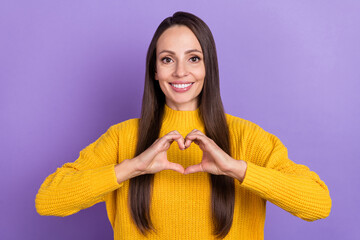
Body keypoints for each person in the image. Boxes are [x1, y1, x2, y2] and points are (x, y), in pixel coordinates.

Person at [35, 11, 332, 240]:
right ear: (154, 70)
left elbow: (318, 204)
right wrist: (132, 167)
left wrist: (236, 169)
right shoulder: (122, 137)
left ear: (208, 67)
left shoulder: (246, 136)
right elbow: (48, 200)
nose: (180, 72)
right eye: (167, 59)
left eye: (193, 58)